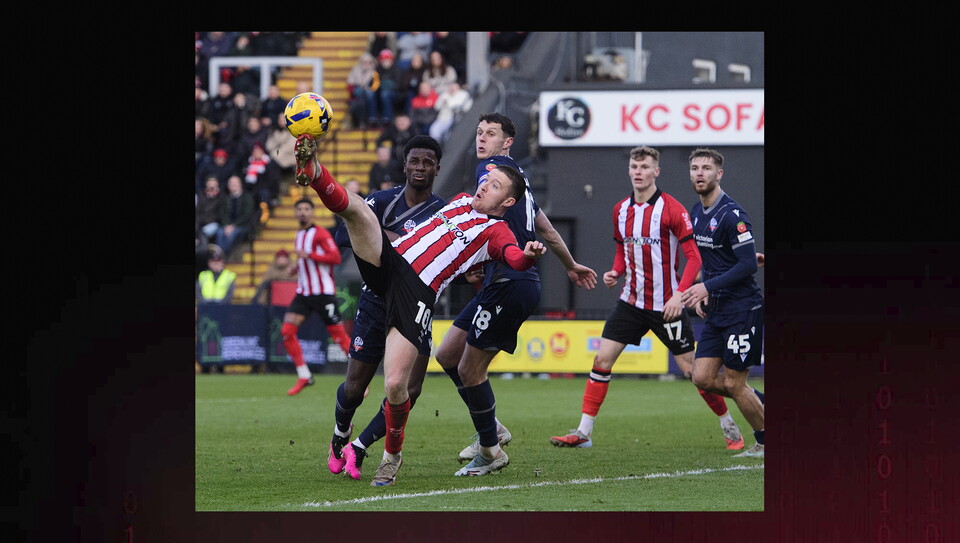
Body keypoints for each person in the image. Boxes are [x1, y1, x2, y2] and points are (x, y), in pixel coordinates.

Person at [292, 131, 547, 486]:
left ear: (506, 202)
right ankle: (315, 171)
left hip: (417, 294)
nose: (485, 185)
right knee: (359, 212)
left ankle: (391, 456)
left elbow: (514, 259)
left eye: (495, 186)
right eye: (487, 179)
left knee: (397, 386)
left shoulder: (497, 231)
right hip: (390, 265)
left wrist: (528, 255)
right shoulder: (457, 200)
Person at [434, 112, 598, 475]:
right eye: (478, 132)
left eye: (491, 133)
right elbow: (548, 230)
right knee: (447, 354)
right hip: (500, 280)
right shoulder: (518, 180)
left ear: (508, 143)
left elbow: (477, 217)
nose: (481, 139)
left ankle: (490, 451)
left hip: (511, 281)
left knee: (469, 369)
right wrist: (571, 265)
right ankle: (490, 430)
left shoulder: (492, 171)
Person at [549, 146, 744, 451]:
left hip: (667, 305)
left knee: (694, 373)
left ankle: (729, 425)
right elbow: (621, 250)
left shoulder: (672, 209)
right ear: (629, 170)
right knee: (601, 360)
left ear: (656, 172)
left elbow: (693, 257)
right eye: (634, 166)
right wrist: (616, 272)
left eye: (644, 166)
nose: (638, 171)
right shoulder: (620, 210)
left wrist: (679, 295)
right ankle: (584, 431)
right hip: (631, 302)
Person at [326, 135, 448, 482]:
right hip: (376, 300)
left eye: (427, 162)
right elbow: (344, 234)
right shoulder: (378, 202)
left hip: (418, 305)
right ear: (405, 164)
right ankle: (341, 433)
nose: (420, 167)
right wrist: (385, 241)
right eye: (415, 161)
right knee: (354, 387)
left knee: (410, 390)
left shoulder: (443, 213)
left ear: (437, 168)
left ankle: (363, 447)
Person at [680, 147, 766, 458]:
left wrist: (705, 287)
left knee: (734, 382)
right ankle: (760, 403)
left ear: (719, 174)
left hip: (742, 308)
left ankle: (764, 442)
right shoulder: (695, 212)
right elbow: (709, 258)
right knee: (700, 377)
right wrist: (705, 288)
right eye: (694, 168)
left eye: (706, 168)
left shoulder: (732, 215)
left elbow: (746, 265)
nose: (699, 173)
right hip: (716, 308)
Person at [282, 197, 353, 396]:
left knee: (339, 337)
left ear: (312, 212)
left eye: (306, 208)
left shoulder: (320, 233)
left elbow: (335, 258)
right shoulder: (299, 235)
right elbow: (306, 262)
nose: (302, 212)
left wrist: (309, 256)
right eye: (299, 209)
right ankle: (304, 374)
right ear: (295, 213)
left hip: (323, 293)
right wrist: (295, 268)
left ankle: (359, 380)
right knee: (287, 331)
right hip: (304, 293)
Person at [215, 175, 254, 260]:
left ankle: (219, 257)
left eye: (235, 183)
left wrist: (233, 225)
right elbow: (222, 213)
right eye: (231, 183)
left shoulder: (247, 197)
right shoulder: (225, 198)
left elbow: (246, 215)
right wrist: (227, 225)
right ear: (228, 186)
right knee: (220, 232)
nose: (233, 185)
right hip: (226, 226)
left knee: (231, 235)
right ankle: (218, 255)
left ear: (240, 184)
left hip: (241, 226)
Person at [346, 52, 379, 129]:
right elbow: (350, 86)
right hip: (357, 94)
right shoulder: (354, 71)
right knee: (359, 99)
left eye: (369, 62)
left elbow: (375, 85)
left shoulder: (374, 72)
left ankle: (371, 120)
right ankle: (359, 123)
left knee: (369, 96)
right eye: (365, 62)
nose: (366, 64)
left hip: (369, 94)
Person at [374, 49, 404, 127]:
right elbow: (374, 85)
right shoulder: (377, 70)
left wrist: (385, 85)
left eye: (387, 60)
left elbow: (399, 85)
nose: (385, 62)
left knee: (385, 94)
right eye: (383, 60)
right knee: (370, 94)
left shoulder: (397, 69)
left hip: (397, 94)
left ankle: (387, 119)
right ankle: (372, 119)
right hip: (380, 93)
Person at [197, 176, 224, 242]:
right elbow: (198, 211)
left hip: (213, 223)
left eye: (214, 185)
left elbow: (219, 214)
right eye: (209, 185)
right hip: (200, 222)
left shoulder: (221, 197)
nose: (211, 187)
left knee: (205, 232)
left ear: (217, 186)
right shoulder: (201, 195)